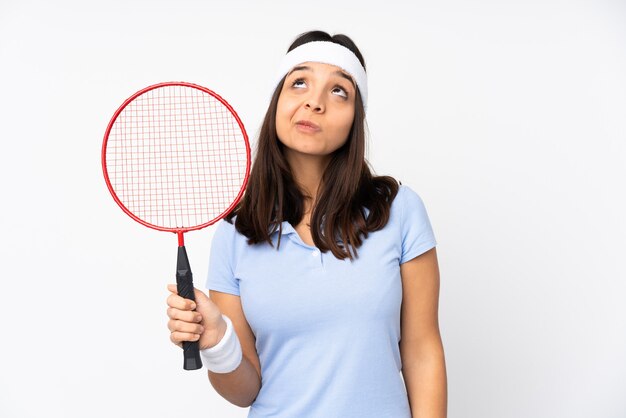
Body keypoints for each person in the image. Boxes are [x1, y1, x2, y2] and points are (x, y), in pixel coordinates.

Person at [166, 30, 447, 417]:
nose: (314, 102)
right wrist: (217, 341)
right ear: (277, 102)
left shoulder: (399, 210)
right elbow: (245, 390)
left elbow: (422, 351)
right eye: (299, 82)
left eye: (339, 91)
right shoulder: (236, 233)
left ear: (355, 119)